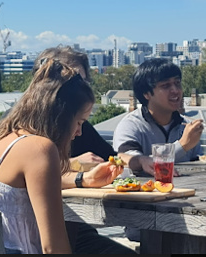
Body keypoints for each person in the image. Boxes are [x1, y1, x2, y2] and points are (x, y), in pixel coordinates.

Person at [112, 58, 206, 254]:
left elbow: (195, 167)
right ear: (147, 94)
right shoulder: (131, 125)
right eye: (166, 85)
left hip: (193, 208)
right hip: (147, 218)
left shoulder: (184, 124)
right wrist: (183, 145)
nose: (176, 90)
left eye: (177, 83)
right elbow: (132, 160)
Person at [0, 59, 96, 254]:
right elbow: (53, 246)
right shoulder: (40, 148)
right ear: (61, 116)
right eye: (79, 122)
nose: (79, 132)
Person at [31, 46, 137, 254]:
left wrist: (136, 160)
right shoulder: (25, 133)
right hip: (34, 234)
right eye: (70, 80)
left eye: (81, 81)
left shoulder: (79, 126)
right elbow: (31, 176)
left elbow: (114, 160)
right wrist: (76, 167)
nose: (76, 90)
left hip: (76, 228)